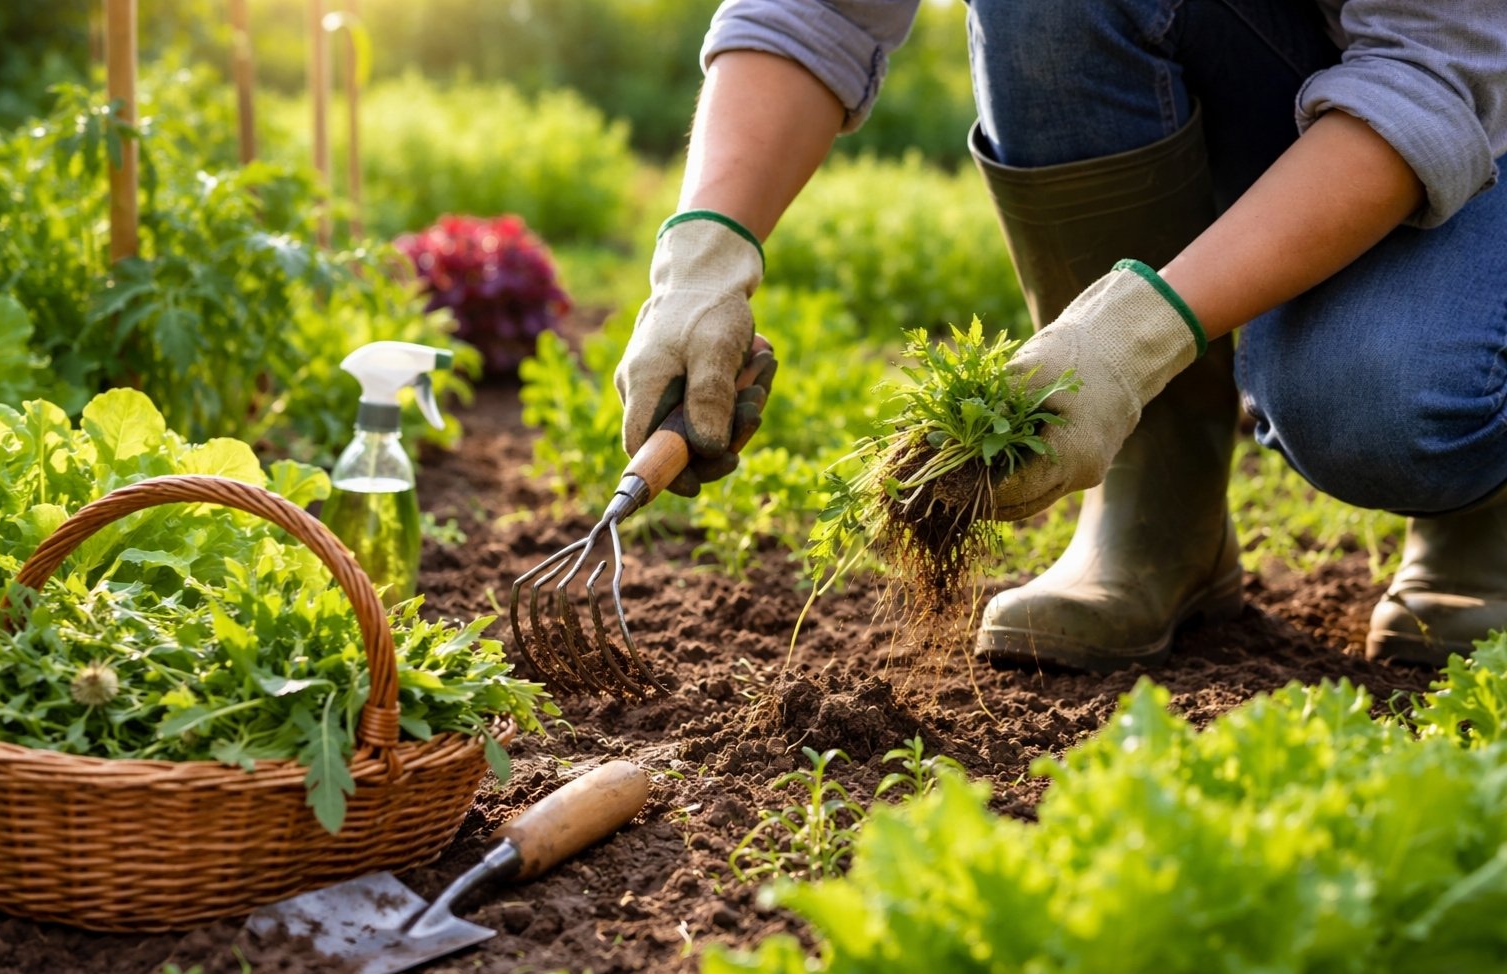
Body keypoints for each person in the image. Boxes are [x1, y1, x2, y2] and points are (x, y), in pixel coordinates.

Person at [614, 0, 1507, 671]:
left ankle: (1486, 499)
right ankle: (1154, 498)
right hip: (1308, 76)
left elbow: (1438, 68)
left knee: (1382, 401)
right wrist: (705, 251)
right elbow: (817, 10)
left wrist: (1131, 339)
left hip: (1478, 108)